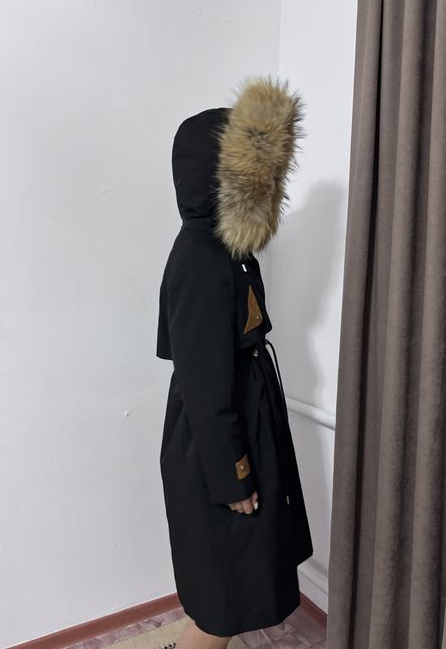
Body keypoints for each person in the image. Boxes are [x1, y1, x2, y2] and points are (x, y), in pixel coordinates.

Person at [156, 75, 313, 648]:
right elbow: (203, 384)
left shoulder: (227, 252)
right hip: (218, 440)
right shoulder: (200, 257)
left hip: (243, 419)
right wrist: (233, 476)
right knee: (225, 587)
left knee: (233, 575)